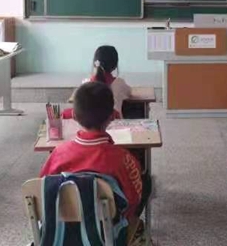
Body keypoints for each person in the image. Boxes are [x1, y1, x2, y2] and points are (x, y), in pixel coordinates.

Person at [40, 82, 150, 219]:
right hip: (109, 229)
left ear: (74, 116)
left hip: (62, 228)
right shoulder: (123, 158)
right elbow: (133, 199)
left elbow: (42, 190)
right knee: (147, 181)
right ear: (112, 116)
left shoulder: (58, 154)